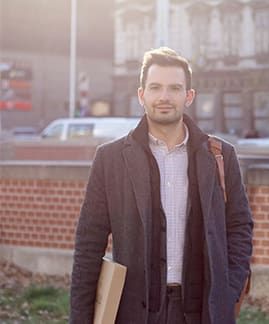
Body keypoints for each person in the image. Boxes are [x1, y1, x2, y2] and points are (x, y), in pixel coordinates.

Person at [70, 47, 253, 324]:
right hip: (133, 313)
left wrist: (228, 290)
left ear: (188, 96)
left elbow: (239, 226)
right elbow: (88, 244)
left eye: (174, 88)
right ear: (141, 95)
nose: (164, 97)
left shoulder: (220, 155)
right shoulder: (110, 159)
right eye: (155, 87)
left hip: (203, 311)